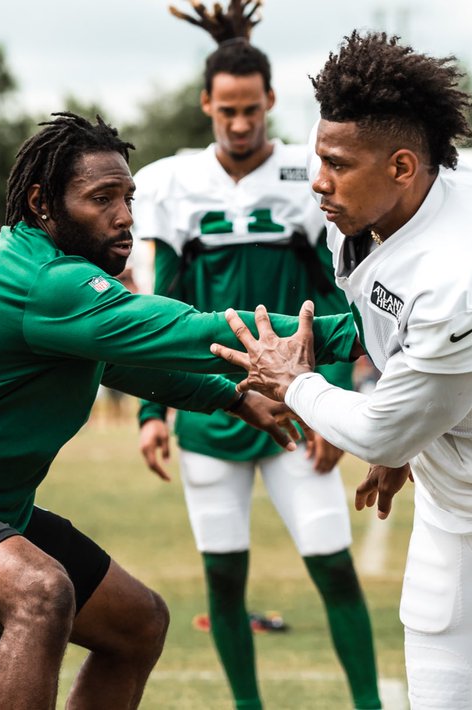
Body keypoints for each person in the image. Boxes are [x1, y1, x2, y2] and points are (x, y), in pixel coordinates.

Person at [0, 112, 359, 709]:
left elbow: (126, 363)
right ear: (44, 203)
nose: (124, 217)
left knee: (137, 624)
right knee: (40, 593)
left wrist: (229, 396)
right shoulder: (41, 279)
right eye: (101, 198)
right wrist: (358, 332)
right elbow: (186, 330)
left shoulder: (53, 277)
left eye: (128, 197)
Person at [213, 32, 472, 709]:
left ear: (403, 166)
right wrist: (418, 427)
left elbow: (380, 431)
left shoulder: (471, 271)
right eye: (319, 156)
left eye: (337, 163)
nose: (317, 180)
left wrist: (298, 383)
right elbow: (398, 344)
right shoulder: (375, 208)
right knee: (439, 692)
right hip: (454, 477)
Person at [132, 4, 380, 709]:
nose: (240, 124)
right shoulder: (175, 185)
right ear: (206, 105)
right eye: (227, 111)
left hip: (299, 404)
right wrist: (153, 411)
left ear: (272, 102)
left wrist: (331, 402)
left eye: (252, 109)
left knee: (332, 566)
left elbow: (334, 302)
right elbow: (161, 315)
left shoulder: (311, 176)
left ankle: (370, 704)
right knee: (224, 578)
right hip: (213, 410)